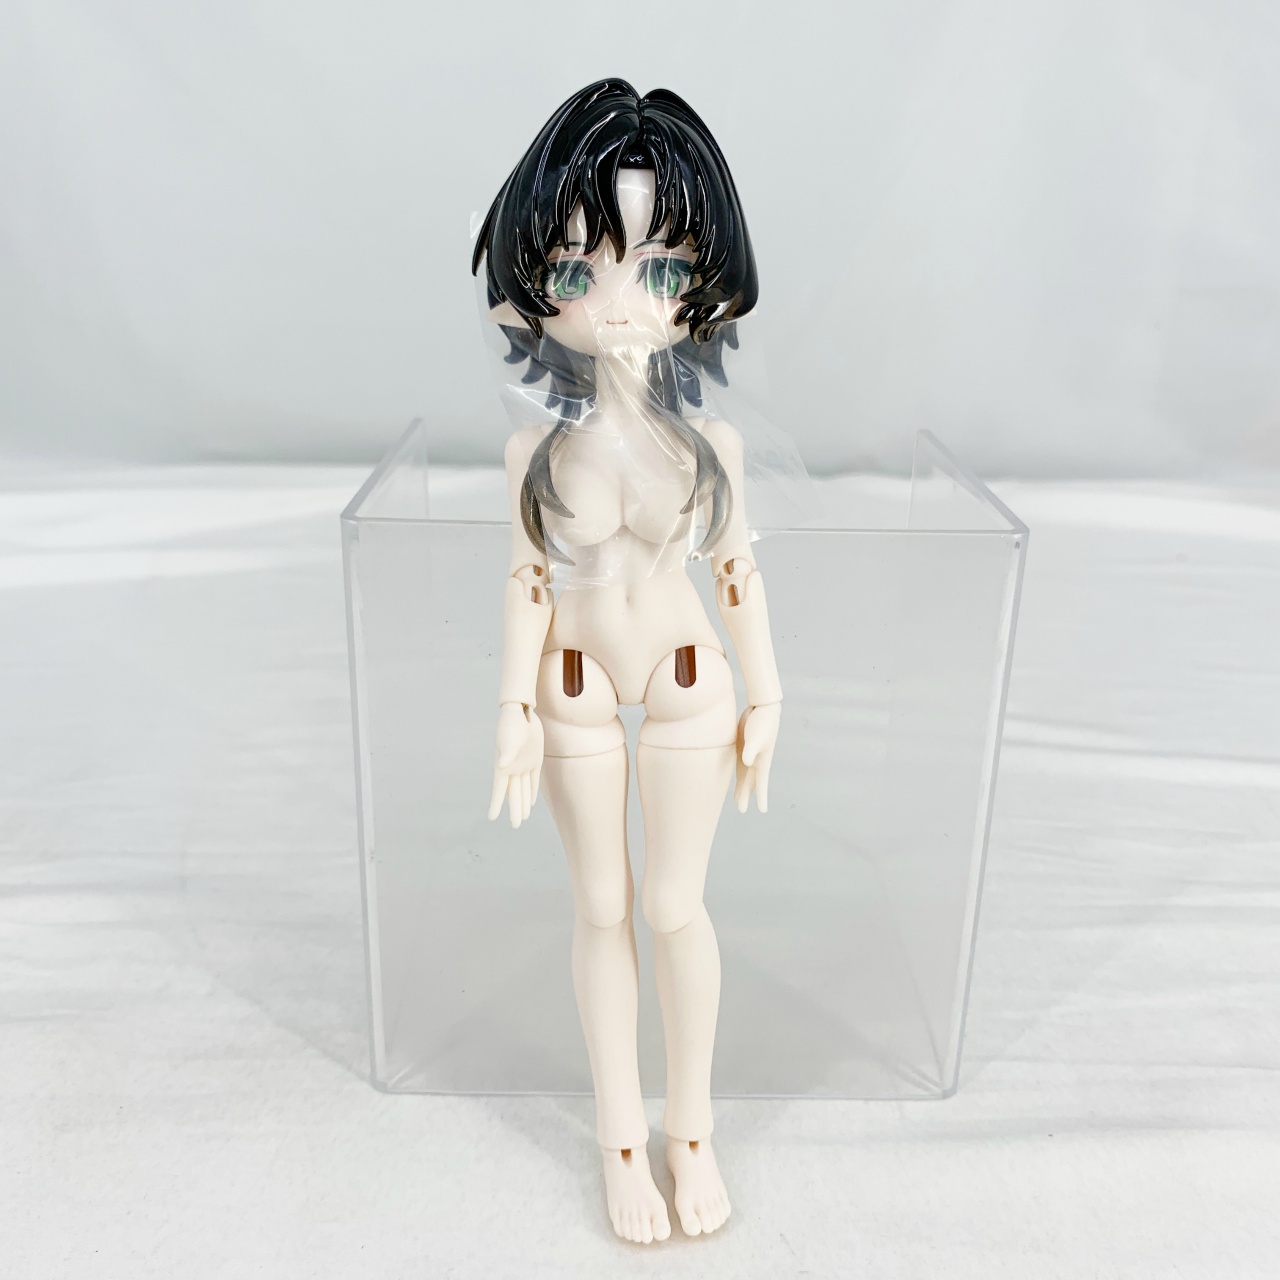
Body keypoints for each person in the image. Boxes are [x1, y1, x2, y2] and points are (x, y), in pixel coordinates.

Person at [473, 79, 781, 1244]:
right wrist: (509, 703)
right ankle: (618, 1138)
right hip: (574, 680)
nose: (612, 303)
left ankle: (688, 1128)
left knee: (671, 903)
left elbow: (736, 569)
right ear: (532, 286)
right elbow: (527, 580)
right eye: (574, 270)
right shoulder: (531, 452)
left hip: (689, 673)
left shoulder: (714, 447)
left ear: (701, 286)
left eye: (653, 271)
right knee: (599, 902)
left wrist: (769, 688)